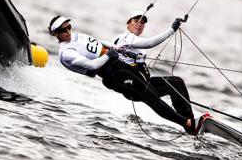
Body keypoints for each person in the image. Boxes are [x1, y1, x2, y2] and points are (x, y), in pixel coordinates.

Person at [49, 15, 207, 135]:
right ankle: (188, 124)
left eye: (69, 27)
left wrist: (116, 48)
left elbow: (99, 43)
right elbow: (92, 65)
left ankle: (191, 126)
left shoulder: (77, 36)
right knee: (150, 95)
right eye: (63, 30)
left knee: (173, 84)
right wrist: (109, 55)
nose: (68, 31)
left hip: (120, 66)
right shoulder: (66, 53)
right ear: (55, 33)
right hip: (112, 75)